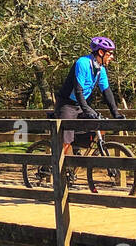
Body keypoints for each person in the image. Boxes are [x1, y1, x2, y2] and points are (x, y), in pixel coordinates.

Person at [53, 37, 124, 179]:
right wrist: (86, 110)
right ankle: (58, 169)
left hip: (81, 104)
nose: (112, 56)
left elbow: (107, 92)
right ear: (101, 52)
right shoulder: (83, 63)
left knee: (101, 125)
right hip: (67, 104)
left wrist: (116, 114)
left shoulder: (100, 69)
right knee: (66, 140)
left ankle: (77, 152)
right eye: (110, 53)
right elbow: (78, 91)